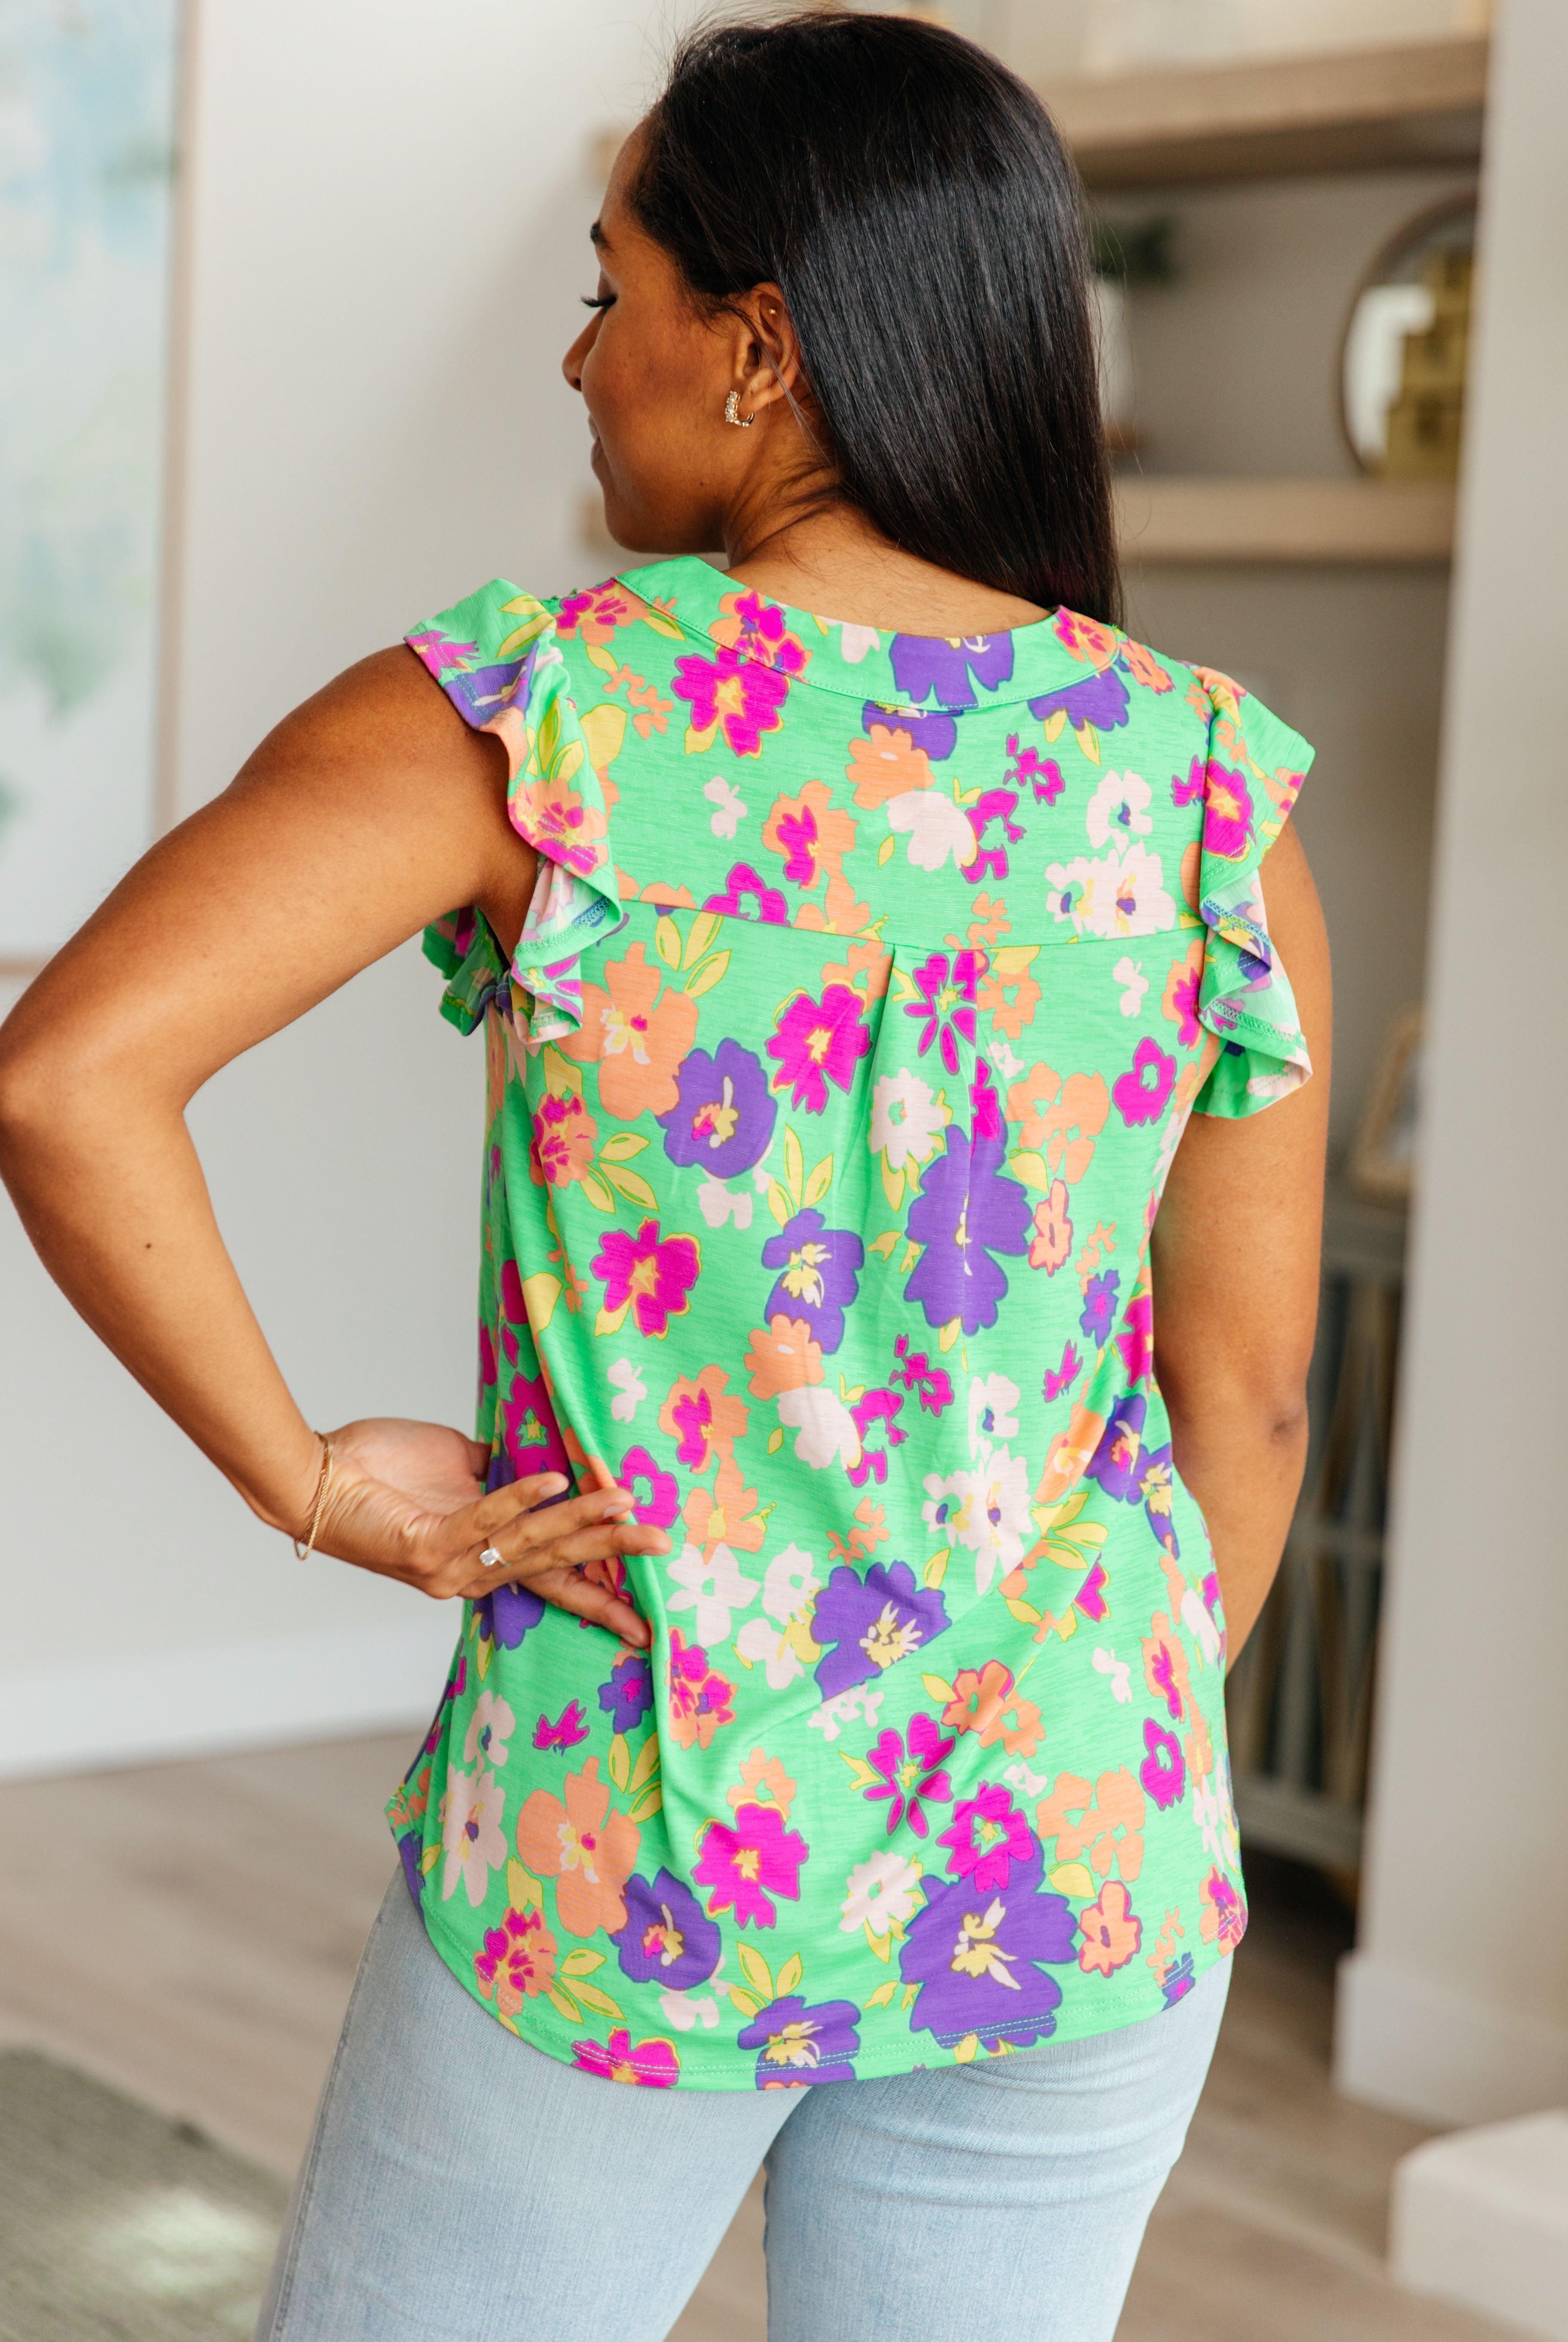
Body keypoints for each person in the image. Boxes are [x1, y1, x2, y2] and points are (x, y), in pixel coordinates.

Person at [0, 12, 1331, 2339]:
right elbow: (1248, 1409)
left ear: (759, 348)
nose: (577, 355)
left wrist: (319, 1491)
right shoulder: (1205, 781)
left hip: (632, 1843)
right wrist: (1036, 1739)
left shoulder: (545, 713)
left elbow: (64, 1079)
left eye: (611, 290)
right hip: (1076, 1857)